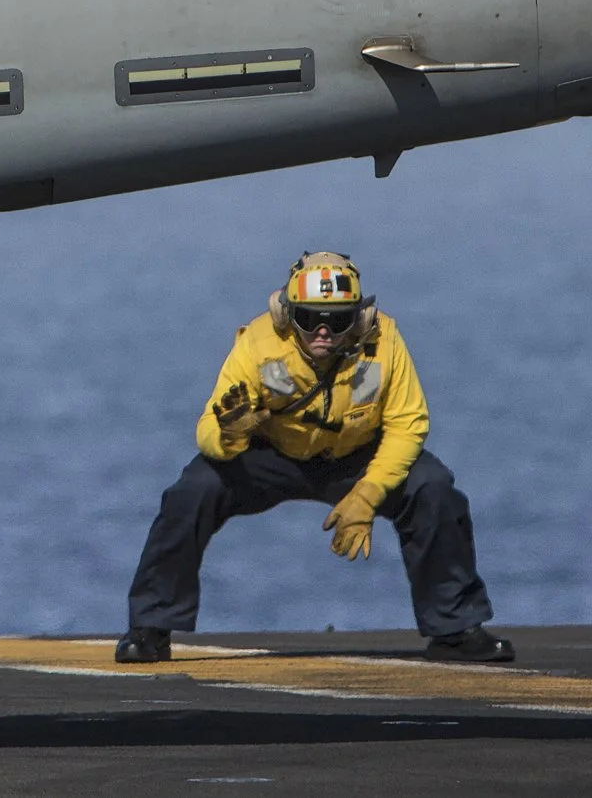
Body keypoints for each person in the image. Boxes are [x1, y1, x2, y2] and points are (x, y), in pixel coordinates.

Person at [117, 251, 513, 665]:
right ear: (288, 316)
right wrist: (231, 434)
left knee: (433, 488)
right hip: (271, 454)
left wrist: (368, 493)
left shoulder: (384, 341)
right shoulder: (257, 342)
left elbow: (407, 424)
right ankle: (150, 627)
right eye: (309, 319)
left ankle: (454, 629)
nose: (323, 332)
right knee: (192, 491)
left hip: (358, 455)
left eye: (337, 321)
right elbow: (207, 431)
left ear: (358, 319)